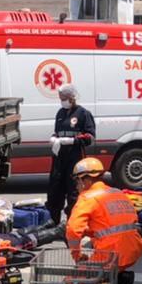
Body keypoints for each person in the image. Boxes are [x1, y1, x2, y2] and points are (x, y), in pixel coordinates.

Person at [66, 157, 142, 284]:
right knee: (100, 265)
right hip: (133, 250)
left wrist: (78, 257)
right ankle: (120, 278)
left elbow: (72, 231)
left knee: (71, 283)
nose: (77, 185)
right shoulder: (117, 192)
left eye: (77, 181)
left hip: (111, 255)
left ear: (86, 180)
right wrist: (89, 231)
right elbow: (116, 225)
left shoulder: (87, 197)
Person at [46, 84, 96, 225]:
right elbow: (57, 132)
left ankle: (72, 225)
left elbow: (90, 137)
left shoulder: (83, 114)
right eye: (61, 98)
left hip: (75, 158)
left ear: (72, 98)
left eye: (64, 98)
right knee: (55, 190)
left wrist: (73, 141)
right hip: (59, 159)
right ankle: (53, 223)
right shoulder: (60, 113)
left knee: (73, 193)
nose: (62, 101)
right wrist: (54, 138)